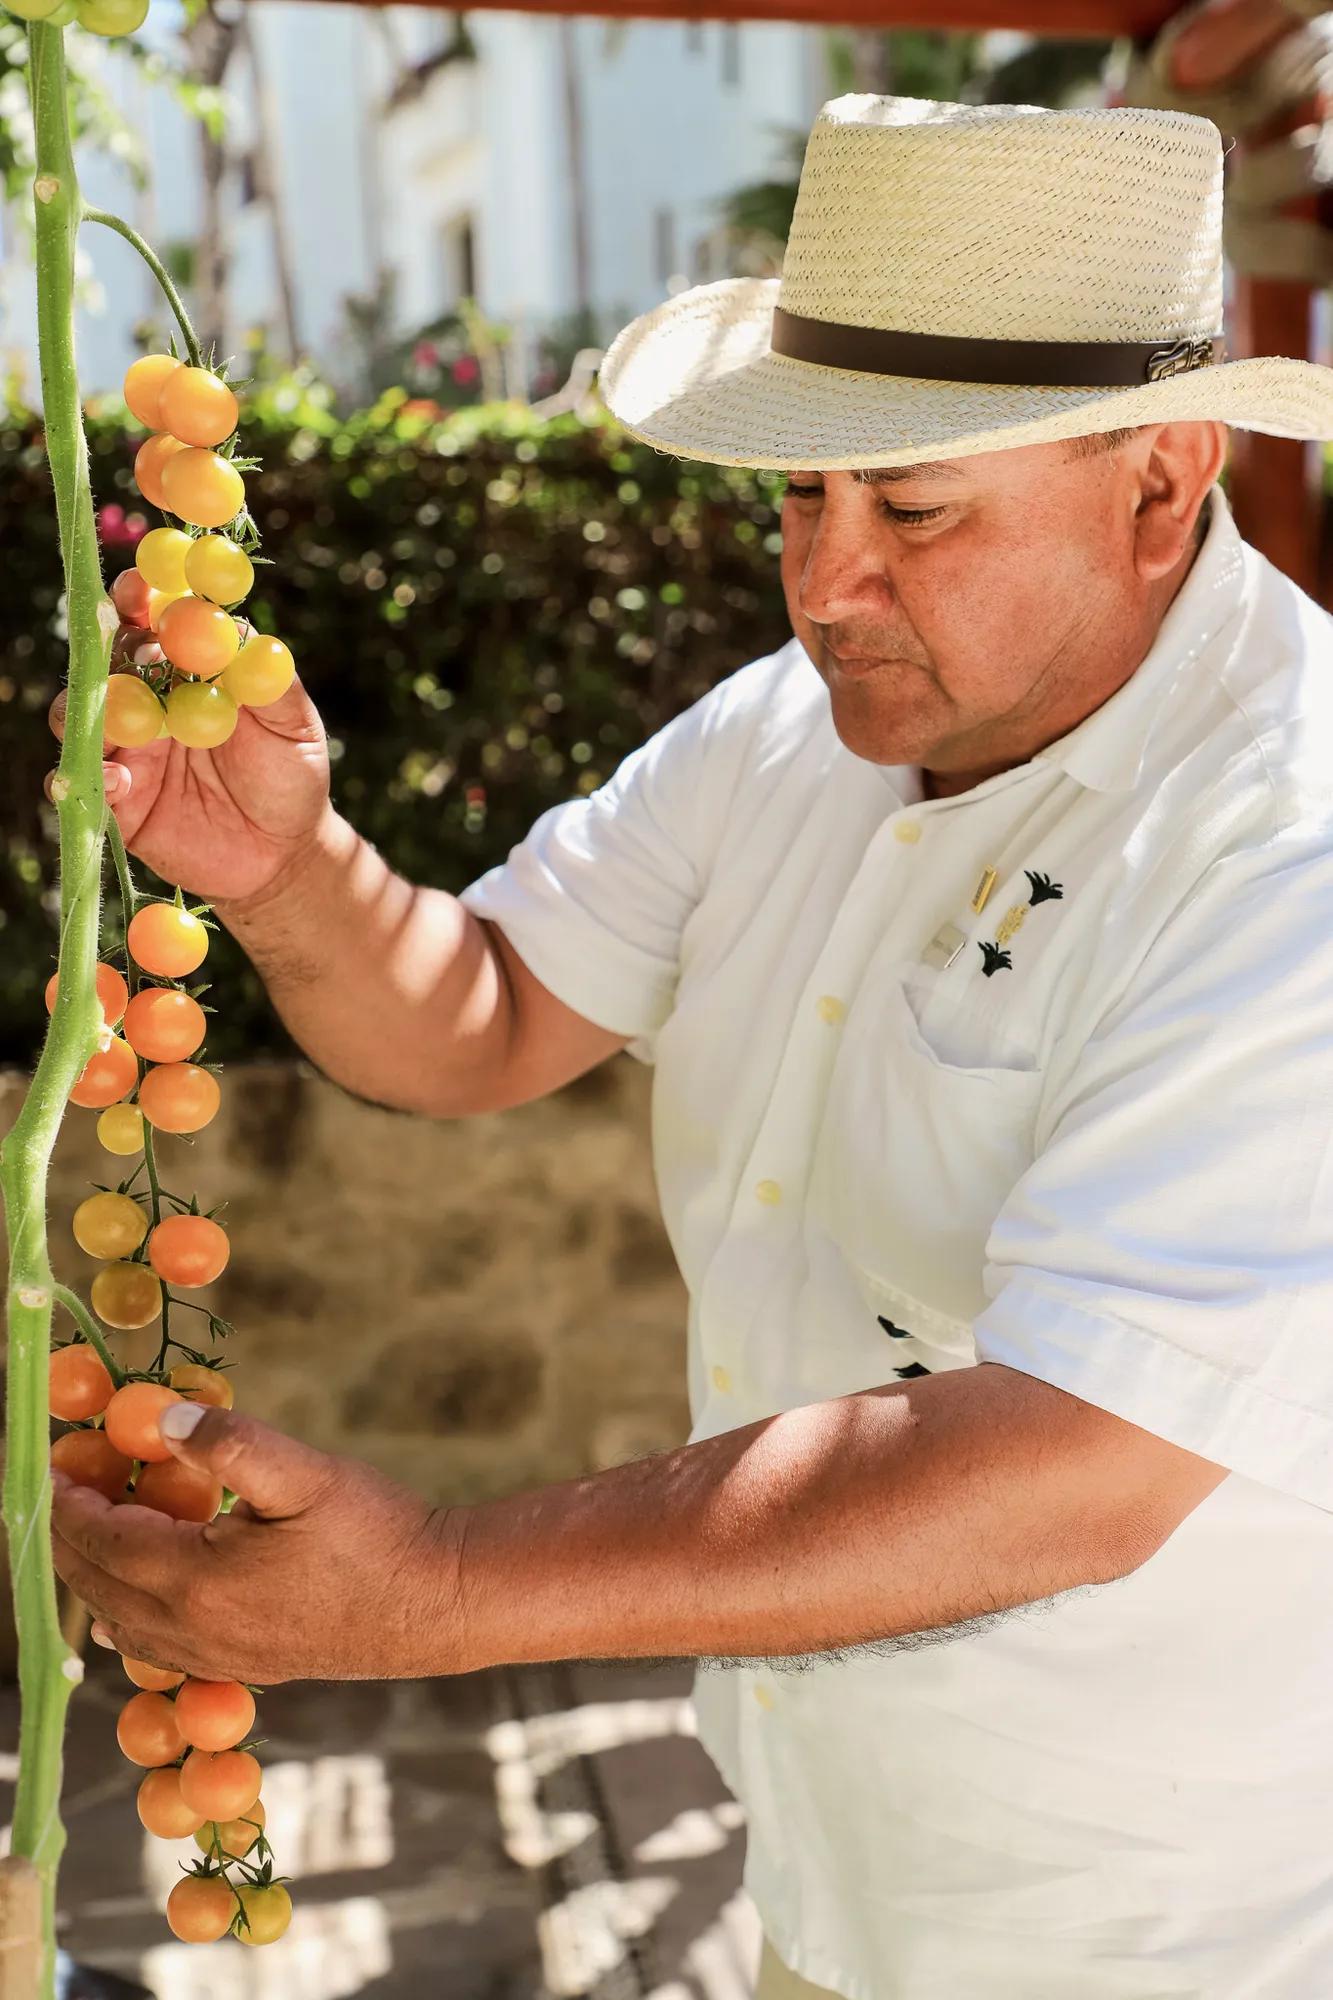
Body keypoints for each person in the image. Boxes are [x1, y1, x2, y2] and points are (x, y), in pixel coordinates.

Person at [50, 96, 1333, 1999]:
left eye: (911, 507)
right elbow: (485, 1017)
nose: (826, 583)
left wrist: (440, 1593)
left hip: (1159, 1920)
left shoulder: (1287, 832)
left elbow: (1079, 1451)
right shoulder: (782, 732)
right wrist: (296, 870)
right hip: (823, 1855)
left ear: (1160, 485)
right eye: (799, 498)